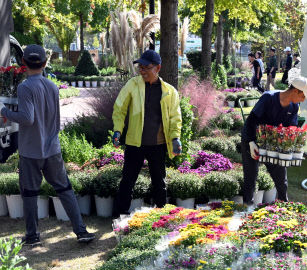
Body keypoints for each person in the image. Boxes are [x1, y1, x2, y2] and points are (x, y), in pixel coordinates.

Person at [0, 45, 95, 246]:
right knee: (65, 189)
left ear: (23, 63)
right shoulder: (52, 86)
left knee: (30, 194)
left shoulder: (25, 87)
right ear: (45, 63)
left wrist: (4, 111)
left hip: (31, 150)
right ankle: (81, 231)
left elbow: (27, 118)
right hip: (52, 149)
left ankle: (33, 236)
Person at [111, 49, 182, 218]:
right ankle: (120, 216)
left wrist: (175, 138)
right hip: (134, 143)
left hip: (158, 145)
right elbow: (119, 109)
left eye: (145, 68)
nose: (141, 71)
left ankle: (161, 216)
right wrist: (117, 130)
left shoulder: (169, 91)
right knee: (127, 181)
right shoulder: (132, 84)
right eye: (140, 68)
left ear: (157, 68)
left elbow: (175, 117)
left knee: (159, 182)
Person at [241, 76, 307, 205]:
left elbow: (291, 130)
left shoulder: (294, 106)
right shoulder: (268, 98)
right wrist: (251, 142)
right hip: (253, 140)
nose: (304, 99)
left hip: (274, 145)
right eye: (303, 96)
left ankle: (283, 206)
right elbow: (250, 121)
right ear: (295, 91)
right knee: (251, 176)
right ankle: (247, 207)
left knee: (281, 178)